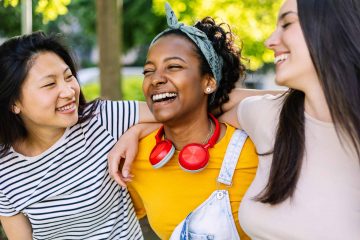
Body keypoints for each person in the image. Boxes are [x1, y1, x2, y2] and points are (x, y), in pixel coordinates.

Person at [108, 3, 260, 239]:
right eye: (148, 71)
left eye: (174, 67)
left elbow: (303, 100)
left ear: (208, 81)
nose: (156, 79)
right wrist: (137, 131)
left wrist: (220, 102)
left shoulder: (256, 147)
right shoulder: (135, 158)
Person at [219, 0, 360, 239]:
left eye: (287, 23)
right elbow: (199, 103)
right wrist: (138, 130)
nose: (270, 41)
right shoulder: (271, 116)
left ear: (334, 27)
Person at [0, 32, 155, 239]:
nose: (69, 91)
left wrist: (135, 132)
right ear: (14, 103)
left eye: (68, 77)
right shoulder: (4, 171)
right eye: (49, 84)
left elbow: (184, 115)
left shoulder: (102, 119)